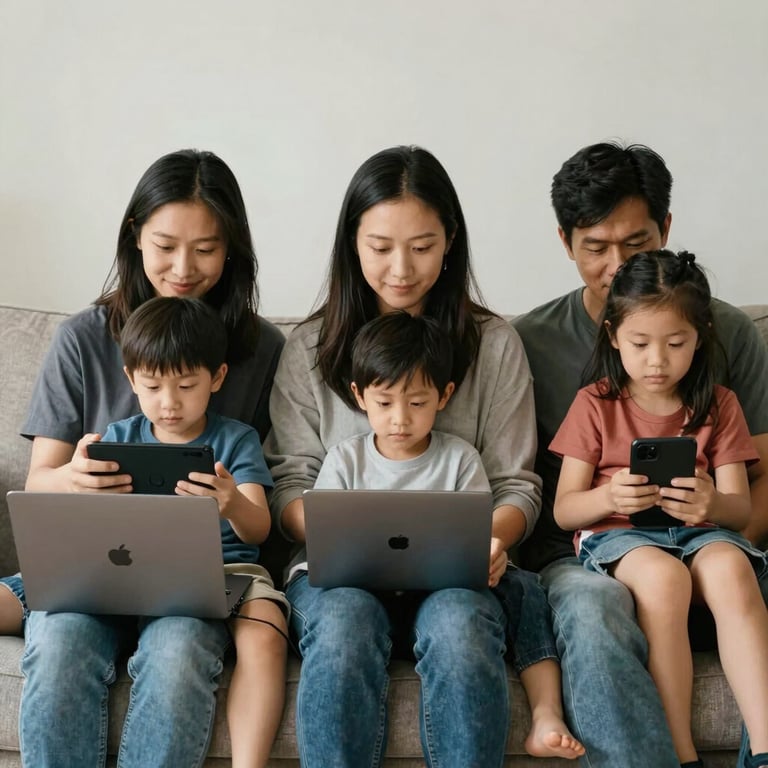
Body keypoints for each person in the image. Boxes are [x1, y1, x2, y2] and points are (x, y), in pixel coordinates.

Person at [264, 144, 541, 767]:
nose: (401, 269)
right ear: (351, 244)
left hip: (459, 577)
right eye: (380, 246)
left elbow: (516, 486)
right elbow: (288, 484)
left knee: (462, 628)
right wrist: (346, 539)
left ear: (450, 243)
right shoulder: (309, 347)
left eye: (422, 246)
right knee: (341, 628)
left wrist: (489, 543)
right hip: (341, 578)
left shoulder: (493, 345)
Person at [15, 149, 287, 768]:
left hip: (197, 579)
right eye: (165, 245)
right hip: (95, 564)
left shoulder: (262, 349)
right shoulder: (83, 338)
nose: (183, 268)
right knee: (58, 640)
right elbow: (39, 484)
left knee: (182, 644)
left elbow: (266, 499)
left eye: (207, 249)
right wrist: (73, 478)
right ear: (135, 236)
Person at [513, 141, 768, 767]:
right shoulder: (539, 352)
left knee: (725, 572)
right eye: (594, 247)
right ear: (566, 241)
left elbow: (751, 479)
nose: (614, 264)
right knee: (635, 591)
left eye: (636, 243)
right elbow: (555, 502)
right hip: (595, 550)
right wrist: (607, 499)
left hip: (708, 535)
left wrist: (723, 530)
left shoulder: (726, 347)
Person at [309, 310, 583, 761]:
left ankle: (545, 709)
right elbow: (324, 537)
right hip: (360, 589)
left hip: (444, 590)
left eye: (417, 403)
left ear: (444, 395)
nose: (400, 418)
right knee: (345, 619)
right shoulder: (344, 460)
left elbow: (476, 533)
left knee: (514, 594)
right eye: (385, 403)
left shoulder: (459, 458)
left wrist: (489, 551)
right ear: (359, 396)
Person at [96, 295, 289, 768]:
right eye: (153, 386)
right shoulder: (118, 439)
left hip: (228, 567)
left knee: (267, 632)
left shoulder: (235, 438)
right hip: (134, 568)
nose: (169, 403)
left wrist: (231, 502)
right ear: (130, 379)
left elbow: (259, 529)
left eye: (186, 385)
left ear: (217, 378)